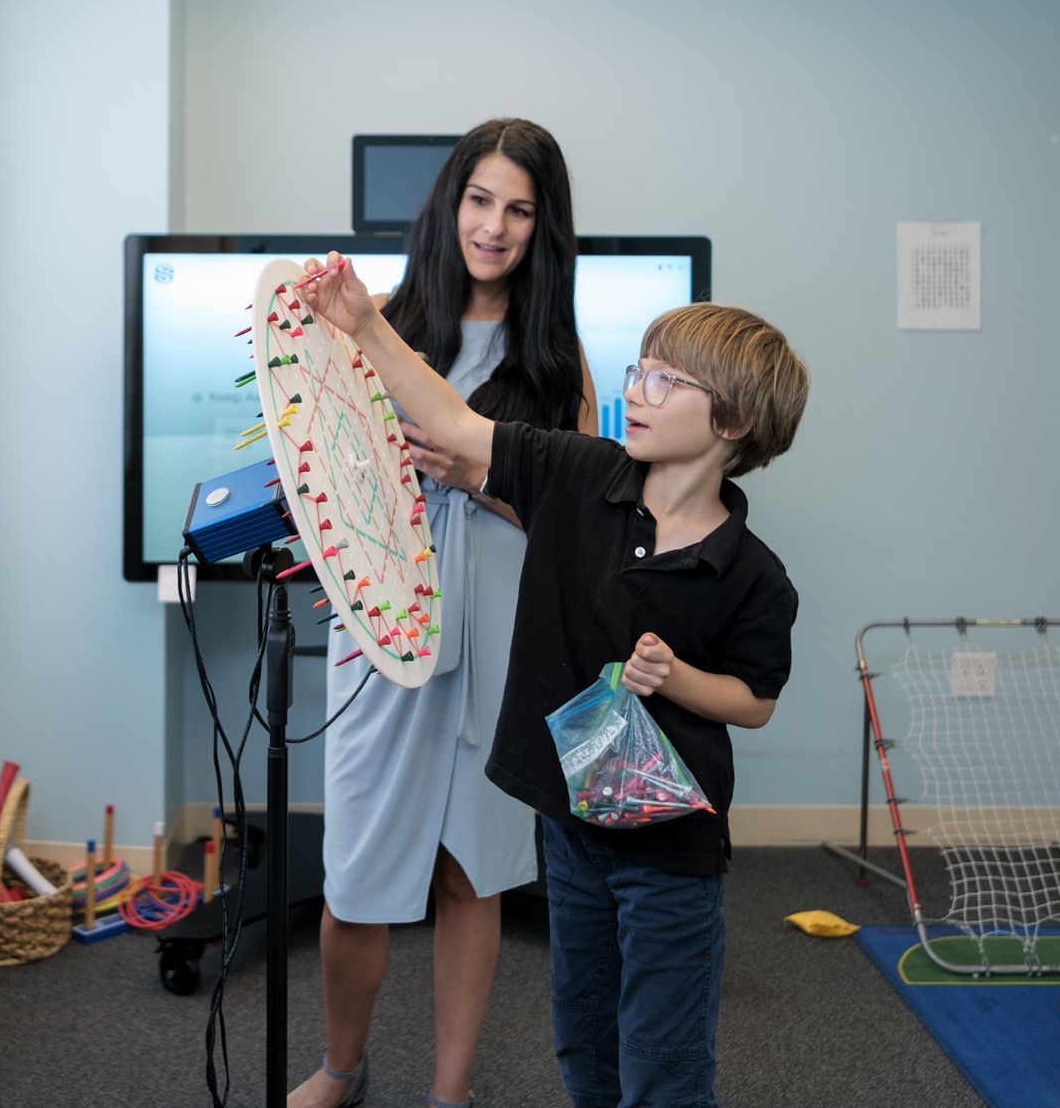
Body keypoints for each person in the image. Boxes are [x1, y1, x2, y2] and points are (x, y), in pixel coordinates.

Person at [296, 266, 808, 1108]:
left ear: (735, 421)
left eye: (664, 381)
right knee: (583, 1036)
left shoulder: (753, 576)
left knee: (662, 1057)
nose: (634, 392)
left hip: (672, 853)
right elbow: (455, 421)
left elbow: (755, 702)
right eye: (640, 370)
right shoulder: (578, 475)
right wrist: (364, 324)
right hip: (573, 834)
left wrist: (677, 678)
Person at [291, 119, 598, 1108]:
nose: (495, 227)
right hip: (382, 645)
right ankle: (343, 1066)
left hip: (508, 645)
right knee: (358, 881)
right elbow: (319, 471)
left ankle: (450, 1093)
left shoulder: (559, 363)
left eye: (519, 209)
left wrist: (483, 479)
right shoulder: (377, 320)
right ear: (450, 201)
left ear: (542, 227)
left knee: (476, 877)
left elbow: (580, 517)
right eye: (480, 200)